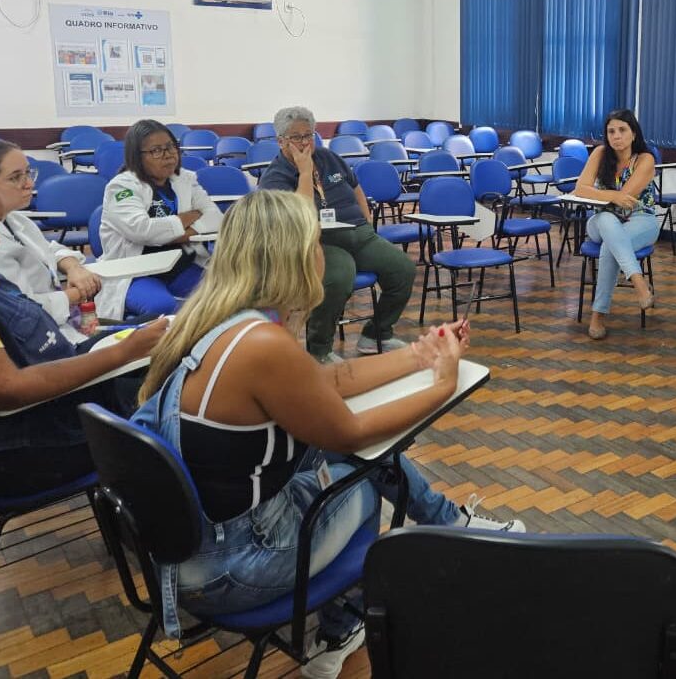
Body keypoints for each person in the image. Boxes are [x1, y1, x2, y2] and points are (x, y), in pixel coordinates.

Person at [133, 188, 522, 677]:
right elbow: (352, 433)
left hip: (192, 554)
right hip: (232, 569)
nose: (325, 253)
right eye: (317, 242)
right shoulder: (263, 345)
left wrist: (419, 356)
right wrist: (443, 381)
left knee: (352, 464)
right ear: (294, 255)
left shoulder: (225, 322)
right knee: (370, 480)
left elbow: (327, 382)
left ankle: (447, 525)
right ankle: (341, 628)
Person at [0, 163, 166, 498]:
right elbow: (7, 390)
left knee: (164, 356)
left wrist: (124, 349)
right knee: (174, 401)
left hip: (41, 413)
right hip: (16, 452)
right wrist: (122, 353)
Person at [258, 106, 415, 361]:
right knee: (339, 276)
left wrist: (366, 220)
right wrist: (305, 171)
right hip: (319, 243)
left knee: (403, 269)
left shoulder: (328, 157)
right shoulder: (274, 176)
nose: (304, 142)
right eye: (296, 137)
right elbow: (300, 215)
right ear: (281, 141)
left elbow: (355, 187)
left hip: (358, 234)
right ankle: (320, 351)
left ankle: (376, 333)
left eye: (308, 135)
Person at [0, 138, 104, 344]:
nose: (30, 184)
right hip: (40, 342)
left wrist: (74, 268)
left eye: (28, 173)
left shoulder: (15, 219)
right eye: (16, 178)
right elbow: (25, 308)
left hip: (64, 327)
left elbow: (50, 250)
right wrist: (78, 293)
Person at [97, 120, 223, 320]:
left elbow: (216, 218)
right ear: (137, 156)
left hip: (180, 266)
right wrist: (189, 218)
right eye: (156, 151)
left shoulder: (185, 179)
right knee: (162, 306)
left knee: (226, 292)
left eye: (171, 147)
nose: (168, 155)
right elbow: (142, 231)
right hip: (137, 272)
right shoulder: (122, 187)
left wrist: (173, 235)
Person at [572, 109, 658, 340]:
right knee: (608, 221)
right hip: (601, 221)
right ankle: (638, 281)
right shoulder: (600, 153)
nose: (616, 136)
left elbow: (627, 198)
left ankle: (598, 315)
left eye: (622, 130)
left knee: (610, 246)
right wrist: (612, 195)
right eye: (611, 131)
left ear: (633, 134)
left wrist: (601, 194)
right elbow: (580, 188)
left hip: (641, 219)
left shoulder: (645, 159)